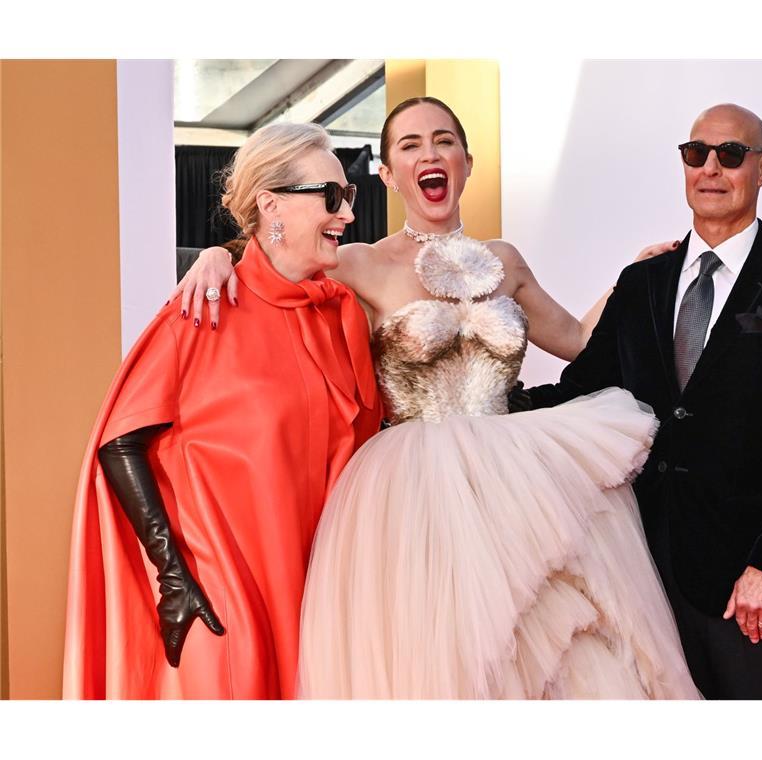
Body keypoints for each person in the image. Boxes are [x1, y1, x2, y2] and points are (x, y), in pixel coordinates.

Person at [176, 97, 699, 698]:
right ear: (387, 174)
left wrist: (630, 277)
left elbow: (580, 340)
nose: (430, 153)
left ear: (467, 163)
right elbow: (273, 267)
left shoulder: (505, 260)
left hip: (516, 480)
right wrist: (217, 255)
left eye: (444, 140)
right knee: (446, 659)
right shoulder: (356, 261)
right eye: (410, 144)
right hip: (414, 490)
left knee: (550, 651)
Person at [514, 104, 762, 699]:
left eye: (731, 155)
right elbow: (581, 393)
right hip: (637, 570)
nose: (711, 169)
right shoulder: (642, 283)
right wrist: (475, 406)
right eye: (696, 154)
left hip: (744, 584)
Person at [63, 123, 382, 699]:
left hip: (322, 594)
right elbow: (120, 440)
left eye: (350, 196)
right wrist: (174, 576)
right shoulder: (205, 305)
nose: (348, 215)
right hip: (226, 597)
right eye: (331, 198)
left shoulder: (343, 316)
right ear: (271, 205)